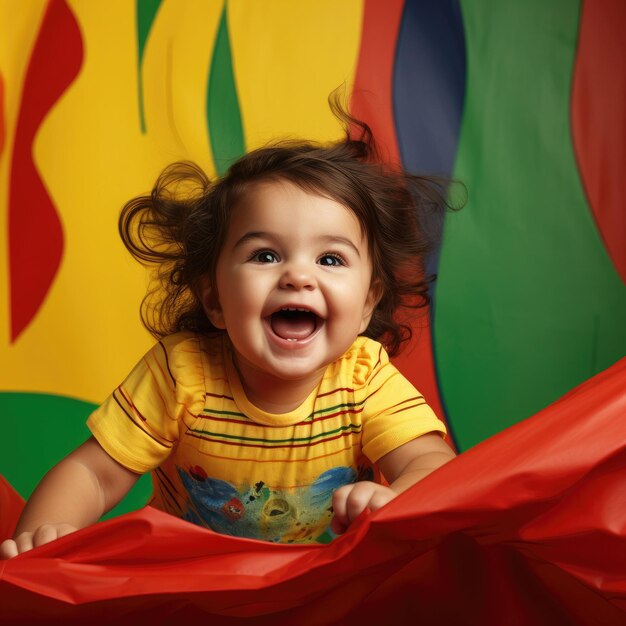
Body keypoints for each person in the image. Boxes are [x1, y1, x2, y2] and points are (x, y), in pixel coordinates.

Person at [1, 104, 456, 558]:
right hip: (183, 570)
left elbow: (431, 463)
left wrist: (396, 496)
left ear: (366, 306)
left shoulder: (363, 378)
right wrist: (44, 534)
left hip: (296, 576)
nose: (298, 276)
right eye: (265, 255)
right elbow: (95, 474)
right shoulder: (184, 372)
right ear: (215, 299)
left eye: (330, 259)